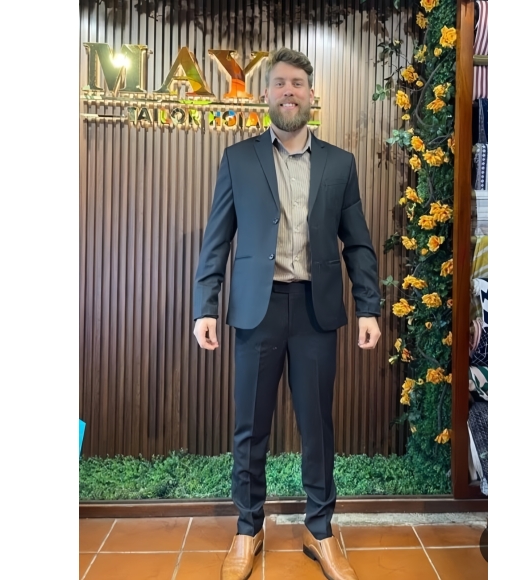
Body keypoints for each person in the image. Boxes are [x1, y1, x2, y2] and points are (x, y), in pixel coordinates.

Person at [193, 47, 382, 580]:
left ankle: (319, 529)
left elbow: (358, 243)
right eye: (279, 83)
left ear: (311, 94)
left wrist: (368, 307)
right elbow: (216, 239)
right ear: (267, 94)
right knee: (250, 426)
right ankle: (248, 528)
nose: (288, 92)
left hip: (317, 311)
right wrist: (205, 306)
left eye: (297, 83)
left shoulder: (339, 164)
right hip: (258, 310)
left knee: (317, 425)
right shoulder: (238, 159)